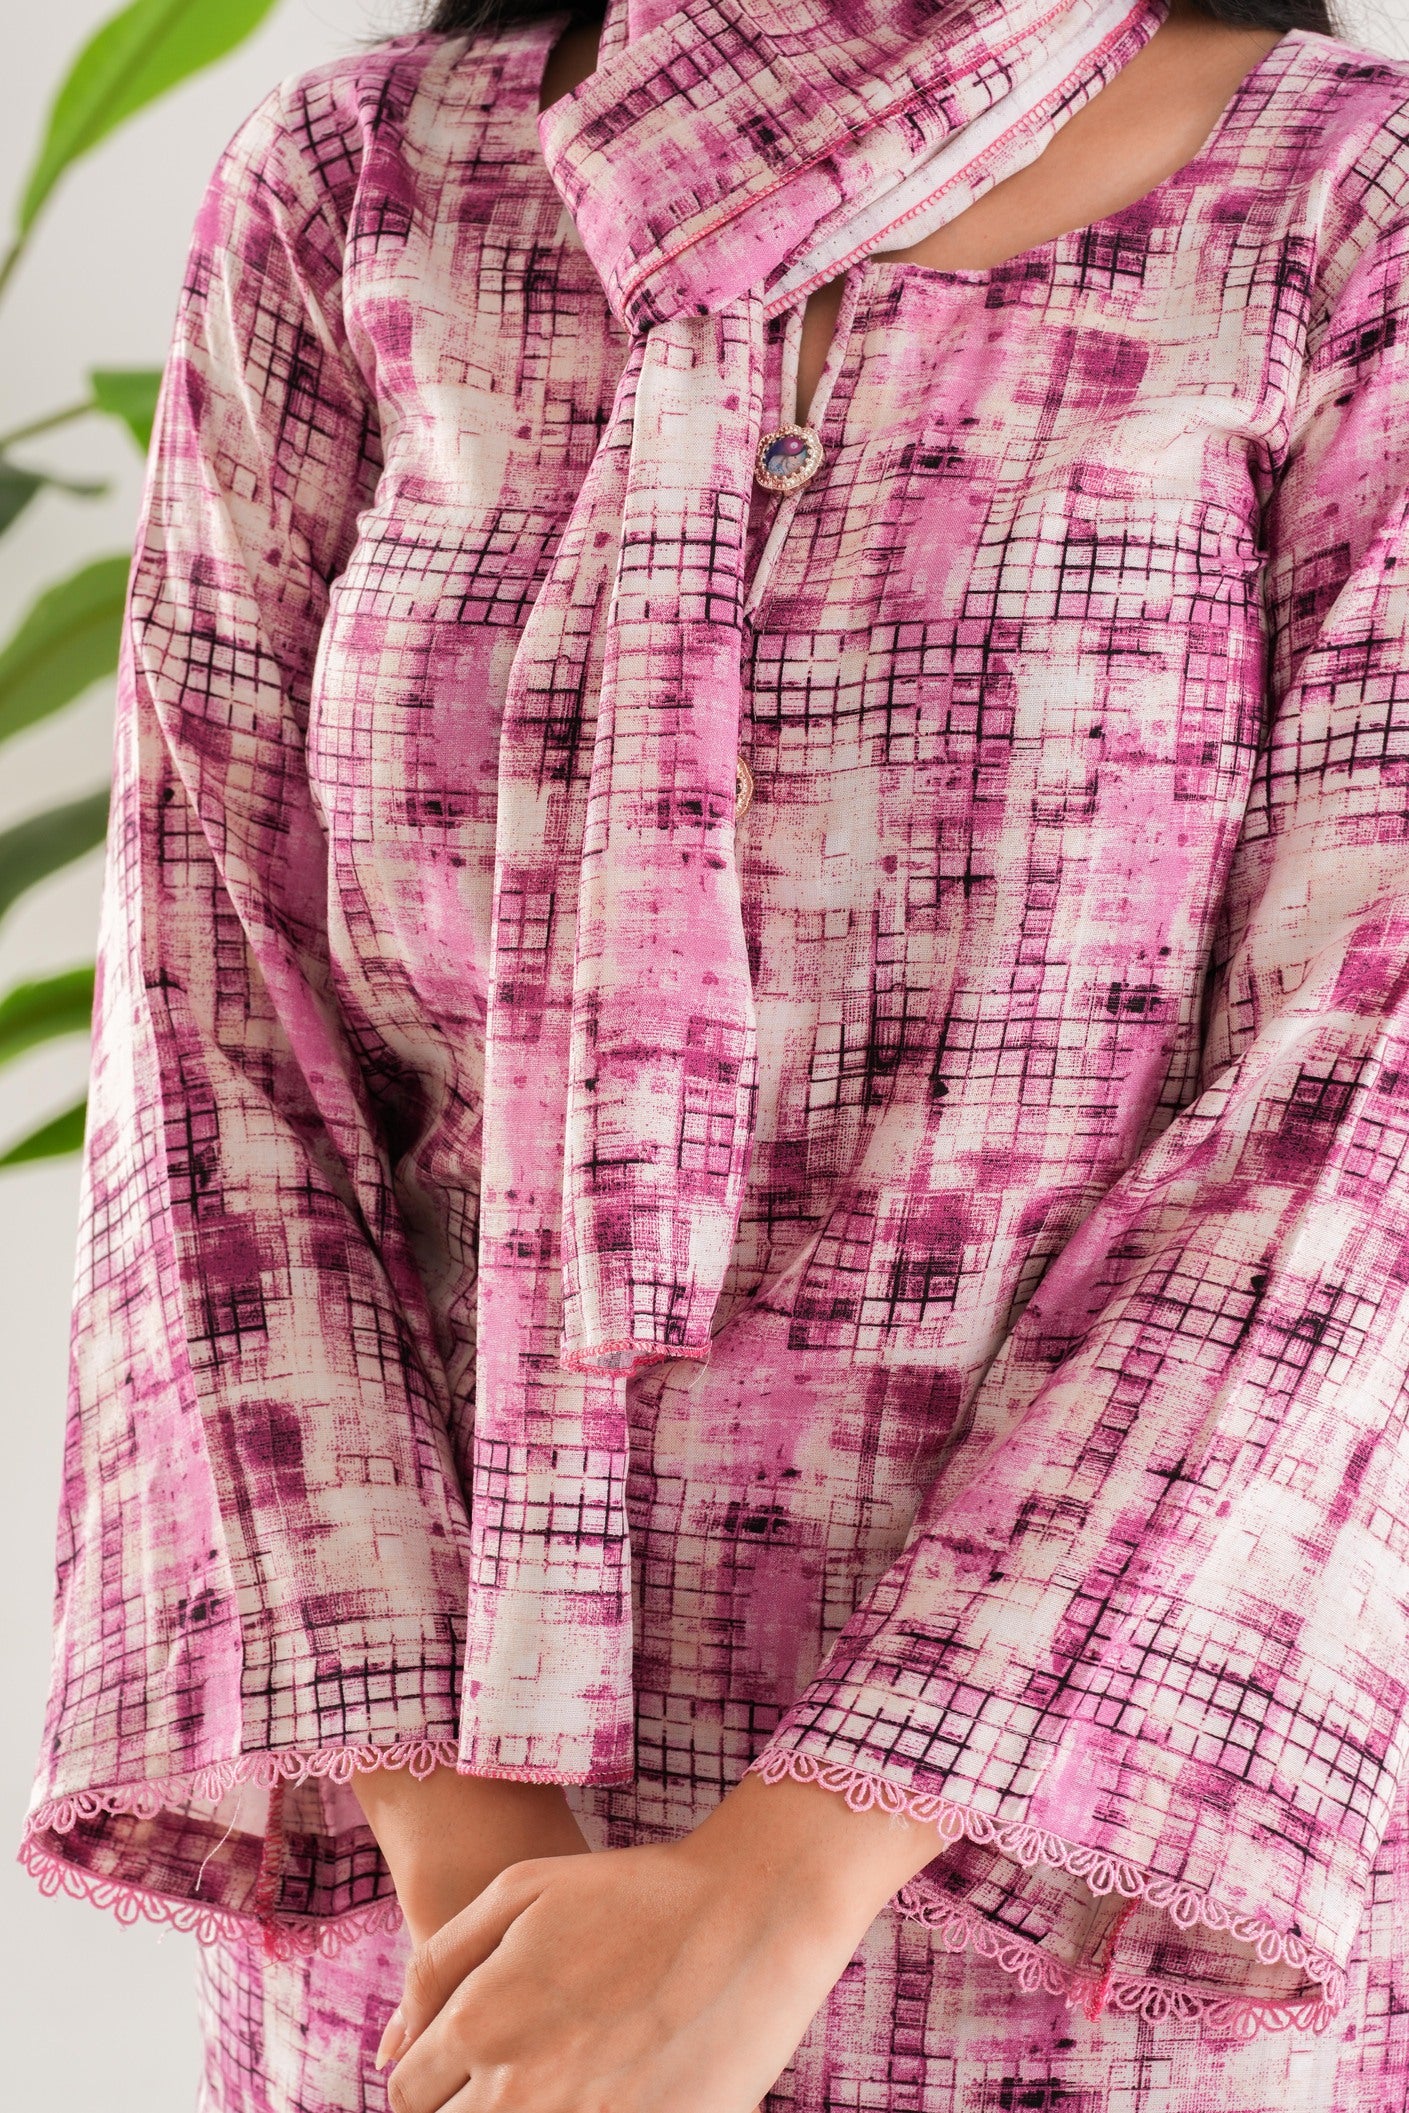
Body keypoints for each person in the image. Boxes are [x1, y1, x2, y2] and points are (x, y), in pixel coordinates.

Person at [21, 0, 1409, 2104]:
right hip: (453, 1906)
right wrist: (485, 1877)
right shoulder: (362, 188)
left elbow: (1356, 1107)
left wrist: (781, 1884)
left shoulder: (1345, 205)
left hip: (1081, 1878)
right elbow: (215, 1045)